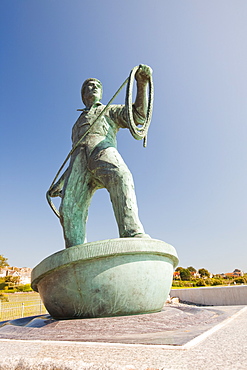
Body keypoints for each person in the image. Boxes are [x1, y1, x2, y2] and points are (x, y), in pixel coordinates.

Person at [49, 65, 152, 248]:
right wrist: (61, 182)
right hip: (78, 163)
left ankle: (131, 232)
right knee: (69, 208)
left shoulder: (109, 110)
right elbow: (74, 152)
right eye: (89, 85)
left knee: (122, 177)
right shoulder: (76, 125)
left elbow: (138, 116)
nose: (94, 86)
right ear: (83, 94)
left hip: (102, 151)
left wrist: (142, 83)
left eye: (97, 85)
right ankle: (75, 250)